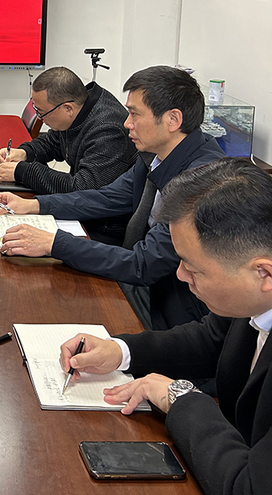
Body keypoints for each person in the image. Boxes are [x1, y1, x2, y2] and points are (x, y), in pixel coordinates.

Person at [59, 158, 272, 495]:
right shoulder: (252, 299)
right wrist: (120, 351)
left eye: (193, 268)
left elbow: (249, 486)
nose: (180, 275)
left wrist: (180, 397)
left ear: (264, 273)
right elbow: (211, 338)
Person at [0, 66, 224, 330]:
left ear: (173, 119)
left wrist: (53, 244)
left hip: (173, 312)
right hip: (145, 280)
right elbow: (108, 197)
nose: (126, 123)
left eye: (135, 114)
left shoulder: (200, 181)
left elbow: (143, 264)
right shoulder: (157, 153)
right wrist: (34, 205)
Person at [0, 66, 137, 244]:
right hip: (79, 210)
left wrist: (23, 171)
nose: (40, 118)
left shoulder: (108, 131)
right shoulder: (80, 108)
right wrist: (24, 153)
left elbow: (83, 189)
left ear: (68, 108)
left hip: (101, 227)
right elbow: (54, 142)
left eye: (41, 113)